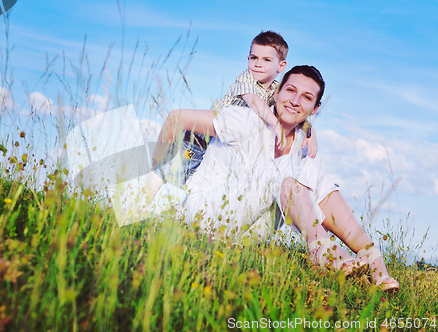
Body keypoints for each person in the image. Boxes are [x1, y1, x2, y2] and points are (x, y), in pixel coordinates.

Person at [179, 65, 399, 291]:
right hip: (205, 214)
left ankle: (372, 255)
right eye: (290, 91)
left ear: (314, 109)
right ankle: (322, 251)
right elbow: (178, 118)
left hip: (248, 232)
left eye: (306, 97)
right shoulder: (246, 119)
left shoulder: (301, 141)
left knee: (309, 167)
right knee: (287, 165)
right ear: (276, 94)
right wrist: (153, 172)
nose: (295, 101)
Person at [143, 31, 318, 203]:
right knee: (171, 167)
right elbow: (254, 101)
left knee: (199, 181)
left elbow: (290, 109)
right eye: (253, 58)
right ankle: (140, 203)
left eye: (266, 60)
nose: (258, 64)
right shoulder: (246, 78)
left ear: (281, 66)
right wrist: (275, 124)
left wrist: (311, 133)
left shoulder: (277, 89)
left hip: (224, 145)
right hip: (203, 136)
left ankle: (179, 216)